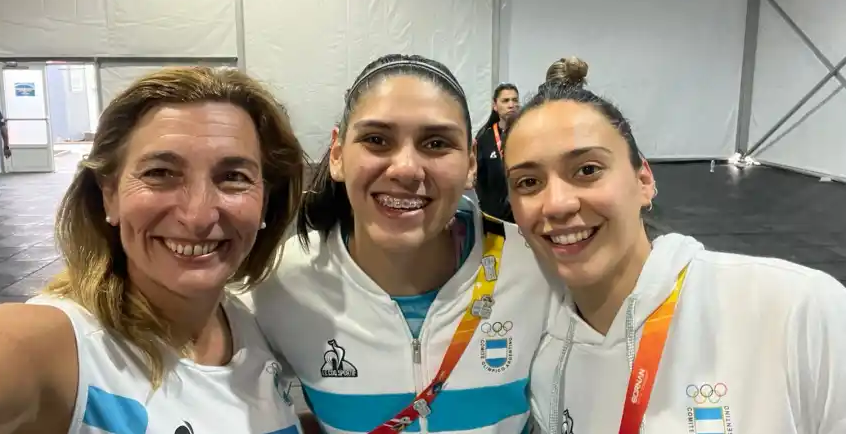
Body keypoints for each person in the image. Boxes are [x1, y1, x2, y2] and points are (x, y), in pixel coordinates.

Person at [0, 67, 306, 434]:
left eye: (234, 177)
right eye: (160, 173)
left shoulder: (252, 326)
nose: (198, 216)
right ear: (110, 194)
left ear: (265, 202)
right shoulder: (60, 348)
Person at [501, 74, 846, 434]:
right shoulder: (539, 354)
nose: (557, 204)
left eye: (587, 170)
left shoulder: (795, 311)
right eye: (528, 182)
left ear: (644, 181)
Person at [243, 54, 557, 434]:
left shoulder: (537, 267)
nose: (406, 169)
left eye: (436, 143)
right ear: (339, 154)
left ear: (471, 163)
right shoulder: (279, 283)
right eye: (376, 140)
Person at [474, 82, 519, 221]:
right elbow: (478, 179)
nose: (511, 105)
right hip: (493, 216)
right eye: (505, 101)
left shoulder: (526, 135)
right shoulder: (484, 139)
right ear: (495, 106)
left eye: (515, 100)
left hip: (522, 213)